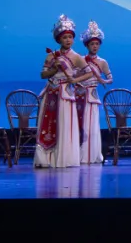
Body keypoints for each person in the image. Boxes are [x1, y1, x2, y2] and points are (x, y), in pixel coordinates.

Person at [35, 14, 92, 168]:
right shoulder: (51, 56)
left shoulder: (77, 57)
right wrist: (54, 69)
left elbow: (89, 73)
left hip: (65, 94)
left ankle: (64, 158)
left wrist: (75, 80)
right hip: (51, 93)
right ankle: (46, 159)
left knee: (64, 125)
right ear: (59, 39)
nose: (68, 40)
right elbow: (43, 75)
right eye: (65, 37)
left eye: (70, 37)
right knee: (48, 124)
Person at [76, 20, 112, 165]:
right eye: (92, 44)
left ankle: (90, 155)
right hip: (78, 95)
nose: (95, 46)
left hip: (91, 96)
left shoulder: (102, 62)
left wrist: (103, 81)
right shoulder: (80, 60)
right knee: (78, 125)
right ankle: (76, 155)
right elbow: (73, 75)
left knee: (90, 126)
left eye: (97, 44)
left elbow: (110, 78)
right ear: (87, 45)